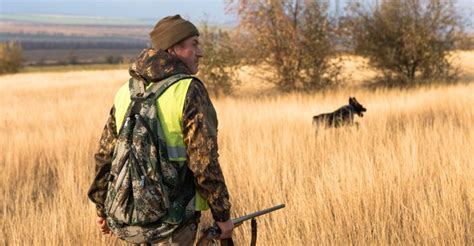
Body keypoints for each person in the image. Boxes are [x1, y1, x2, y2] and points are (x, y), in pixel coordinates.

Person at [87, 15, 233, 245]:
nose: (201, 51)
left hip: (128, 220)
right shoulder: (188, 90)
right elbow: (204, 163)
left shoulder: (126, 90)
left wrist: (102, 207)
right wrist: (223, 217)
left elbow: (105, 155)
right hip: (175, 222)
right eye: (194, 44)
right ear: (174, 48)